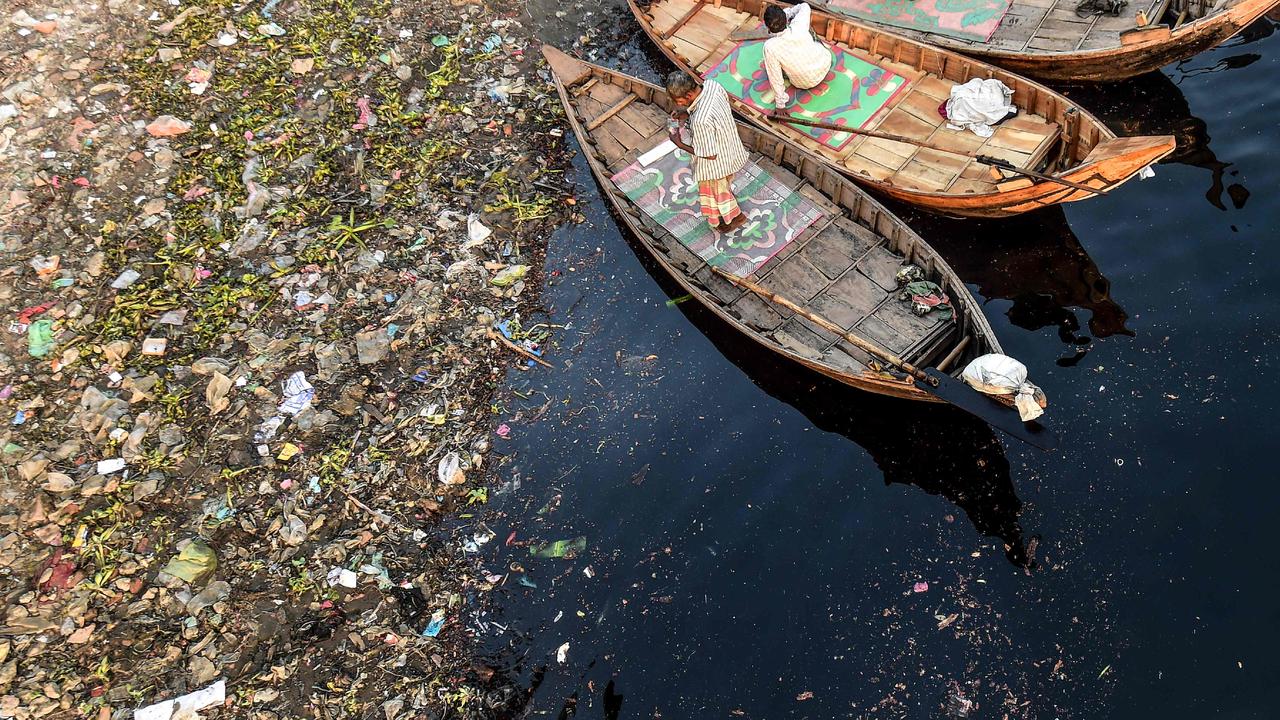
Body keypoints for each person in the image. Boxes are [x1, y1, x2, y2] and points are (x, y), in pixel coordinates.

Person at [664, 72, 750, 231]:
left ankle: (734, 218)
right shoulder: (713, 86)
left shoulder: (700, 121)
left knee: (715, 194)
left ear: (689, 94)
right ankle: (730, 207)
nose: (678, 104)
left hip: (716, 165)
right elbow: (710, 110)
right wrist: (687, 112)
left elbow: (709, 154)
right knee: (723, 187)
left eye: (679, 101)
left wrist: (679, 143)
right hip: (731, 147)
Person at [761, 2, 833, 116]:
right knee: (808, 30)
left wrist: (780, 105)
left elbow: (775, 77)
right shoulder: (798, 24)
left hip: (804, 82)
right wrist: (788, 13)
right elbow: (805, 6)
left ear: (768, 27)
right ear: (785, 19)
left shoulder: (770, 46)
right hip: (825, 63)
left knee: (772, 65)